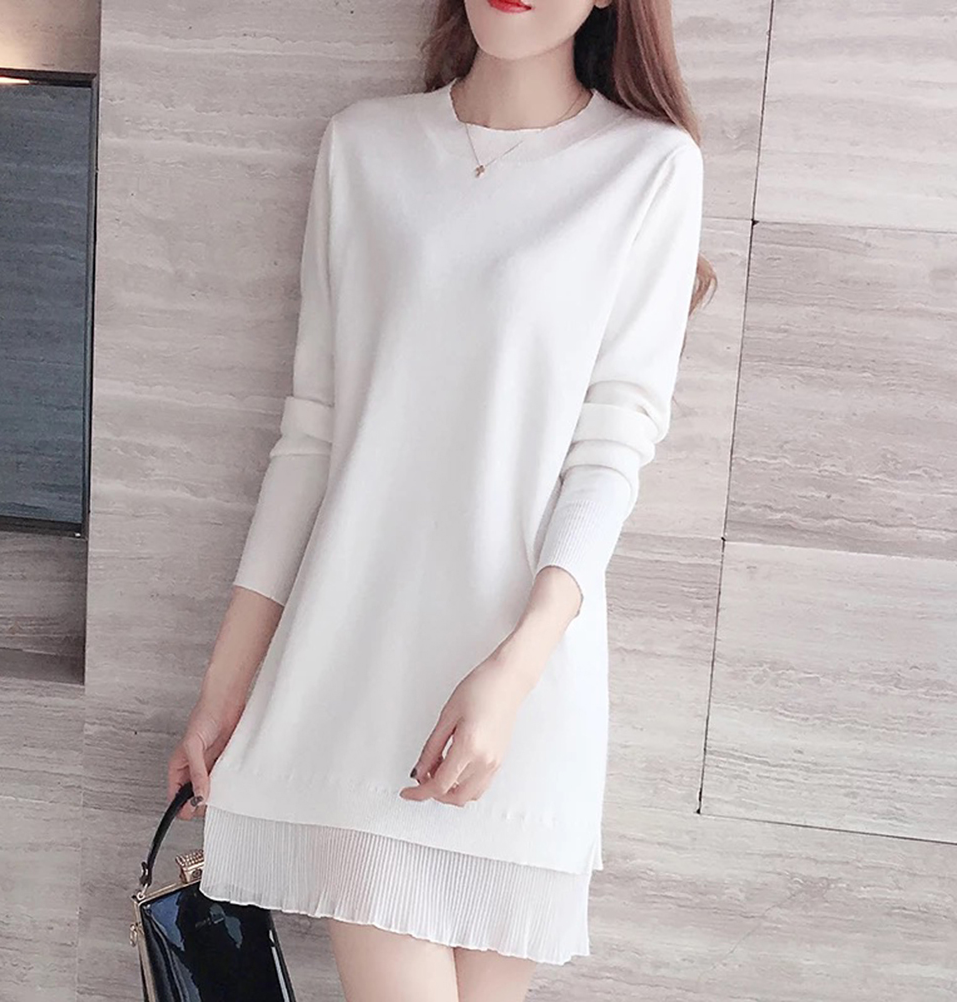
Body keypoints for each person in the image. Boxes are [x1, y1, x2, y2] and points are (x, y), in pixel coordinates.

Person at [167, 1, 715, 999]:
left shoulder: (649, 167)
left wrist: (513, 672)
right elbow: (313, 434)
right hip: (358, 679)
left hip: (523, 698)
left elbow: (611, 451)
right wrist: (226, 682)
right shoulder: (364, 148)